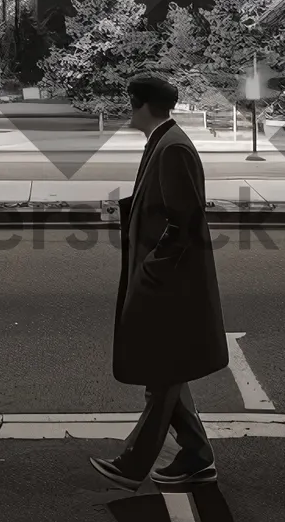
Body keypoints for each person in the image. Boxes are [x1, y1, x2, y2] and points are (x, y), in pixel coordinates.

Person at [89, 74, 228, 489]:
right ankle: (197, 457)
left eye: (129, 100)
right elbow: (165, 205)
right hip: (166, 281)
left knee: (162, 376)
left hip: (169, 286)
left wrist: (152, 270)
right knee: (166, 372)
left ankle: (133, 464)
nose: (126, 108)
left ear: (141, 103)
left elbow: (184, 221)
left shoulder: (173, 148)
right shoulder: (165, 141)